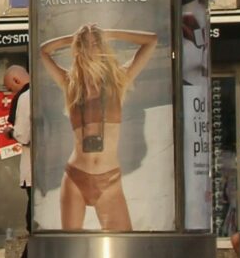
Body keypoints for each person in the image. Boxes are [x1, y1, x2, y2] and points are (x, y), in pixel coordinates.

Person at [39, 22, 159, 232]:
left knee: (122, 244)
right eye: (87, 44)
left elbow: (151, 41)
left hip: (109, 178)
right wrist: (74, 39)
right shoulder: (70, 84)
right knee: (71, 246)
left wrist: (110, 34)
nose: (92, 48)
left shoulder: (116, 81)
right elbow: (43, 51)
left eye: (96, 43)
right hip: (75, 175)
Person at [0, 63, 32, 258]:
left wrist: (10, 133)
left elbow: (24, 134)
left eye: (10, 89)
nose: (10, 94)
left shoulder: (25, 97)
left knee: (35, 226)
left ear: (17, 81)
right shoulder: (43, 93)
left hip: (34, 173)